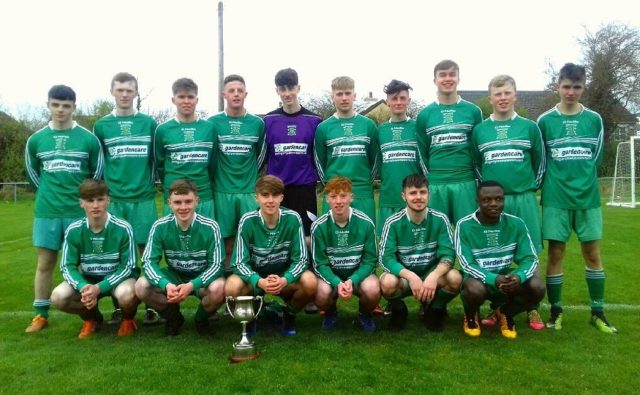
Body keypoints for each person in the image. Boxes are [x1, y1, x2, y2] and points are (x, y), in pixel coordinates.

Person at [537, 63, 617, 333]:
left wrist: (582, 180)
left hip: (587, 199)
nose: (571, 92)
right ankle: (556, 312)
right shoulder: (545, 121)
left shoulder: (594, 119)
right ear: (558, 86)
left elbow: (596, 158)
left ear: (584, 87)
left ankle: (598, 312)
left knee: (592, 253)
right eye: (567, 86)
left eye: (577, 87)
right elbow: (542, 160)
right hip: (556, 198)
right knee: (556, 253)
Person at [24, 84, 104, 332]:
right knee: (45, 262)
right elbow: (32, 176)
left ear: (74, 107)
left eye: (66, 106)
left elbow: (96, 174)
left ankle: (88, 317)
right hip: (47, 212)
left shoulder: (88, 139)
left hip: (77, 213)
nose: (60, 110)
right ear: (48, 105)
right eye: (56, 105)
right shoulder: (36, 140)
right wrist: (50, 194)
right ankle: (40, 314)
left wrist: (83, 201)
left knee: (80, 267)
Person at [470, 74, 545, 331]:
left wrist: (526, 188)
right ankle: (495, 305)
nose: (502, 98)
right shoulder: (480, 130)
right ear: (490, 98)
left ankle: (531, 307)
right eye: (497, 94)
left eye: (507, 93)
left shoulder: (529, 127)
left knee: (531, 252)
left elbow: (540, 162)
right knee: (492, 252)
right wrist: (488, 193)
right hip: (492, 201)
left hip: (522, 198)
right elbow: (476, 165)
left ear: (515, 95)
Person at [93, 72, 161, 325]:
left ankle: (152, 305)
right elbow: (100, 164)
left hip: (143, 198)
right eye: (120, 90)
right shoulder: (101, 126)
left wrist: (148, 184)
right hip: (115, 200)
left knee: (148, 254)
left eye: (129, 90)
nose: (124, 94)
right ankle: (121, 306)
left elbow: (156, 160)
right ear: (112, 91)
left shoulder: (149, 123)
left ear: (136, 93)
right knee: (117, 254)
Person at [224, 175, 317, 336]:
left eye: (275, 195)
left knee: (310, 282)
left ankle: (289, 315)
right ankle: (251, 318)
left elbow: (302, 259)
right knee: (231, 286)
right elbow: (239, 262)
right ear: (257, 198)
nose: (270, 200)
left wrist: (285, 279)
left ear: (282, 197)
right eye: (265, 195)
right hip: (256, 278)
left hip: (282, 277)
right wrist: (258, 281)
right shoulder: (247, 221)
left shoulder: (293, 218)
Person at [135, 180, 225, 336]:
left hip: (201, 277)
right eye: (177, 202)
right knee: (141, 286)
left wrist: (192, 285)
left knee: (220, 288)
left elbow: (217, 265)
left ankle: (201, 319)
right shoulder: (160, 226)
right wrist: (166, 284)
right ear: (169, 203)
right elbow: (148, 262)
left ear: (197, 201)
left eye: (188, 201)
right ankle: (174, 318)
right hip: (174, 276)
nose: (183, 207)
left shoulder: (211, 226)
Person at [456, 181, 545, 339]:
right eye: (487, 200)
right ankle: (470, 316)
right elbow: (466, 263)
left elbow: (530, 258)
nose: (493, 204)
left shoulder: (516, 223)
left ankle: (505, 313)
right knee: (474, 290)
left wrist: (518, 277)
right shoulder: (464, 225)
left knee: (537, 287)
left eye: (498, 199)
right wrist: (493, 278)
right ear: (478, 201)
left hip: (506, 278)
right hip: (480, 280)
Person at [51, 180, 138, 338]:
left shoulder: (123, 228)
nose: (95, 205)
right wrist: (84, 286)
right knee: (59, 297)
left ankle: (127, 319)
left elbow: (128, 266)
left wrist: (99, 287)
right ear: (81, 203)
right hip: (88, 280)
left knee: (127, 294)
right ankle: (91, 318)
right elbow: (67, 266)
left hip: (117, 280)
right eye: (90, 201)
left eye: (100, 199)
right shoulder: (74, 230)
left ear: (108, 201)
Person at [379, 174, 460, 331]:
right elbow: (386, 258)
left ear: (428, 194)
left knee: (455, 278)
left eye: (422, 192)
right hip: (405, 278)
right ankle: (399, 310)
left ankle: (435, 308)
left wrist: (434, 276)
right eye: (413, 193)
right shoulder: (393, 222)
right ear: (404, 196)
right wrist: (410, 276)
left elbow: (448, 254)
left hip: (431, 276)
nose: (418, 197)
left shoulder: (440, 219)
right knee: (387, 282)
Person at [208, 74, 265, 270]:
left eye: (240, 91)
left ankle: (253, 289)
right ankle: (228, 290)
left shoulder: (257, 123)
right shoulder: (213, 122)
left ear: (246, 94)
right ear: (224, 94)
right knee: (227, 242)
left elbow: (260, 156)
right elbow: (212, 156)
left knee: (251, 241)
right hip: (222, 191)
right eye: (231, 91)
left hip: (248, 190)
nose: (236, 94)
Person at [415, 59, 483, 225]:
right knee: (438, 236)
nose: (448, 79)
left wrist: (479, 180)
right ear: (435, 80)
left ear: (459, 79)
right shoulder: (425, 115)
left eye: (452, 74)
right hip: (437, 183)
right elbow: (422, 153)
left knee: (468, 232)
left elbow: (478, 151)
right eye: (442, 75)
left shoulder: (473, 111)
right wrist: (429, 180)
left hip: (465, 182)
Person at [311, 176, 380, 332]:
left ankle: (365, 314)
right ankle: (330, 312)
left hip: (357, 276)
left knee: (373, 288)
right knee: (320, 293)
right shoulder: (319, 226)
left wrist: (352, 280)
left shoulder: (366, 223)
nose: (338, 201)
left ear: (351, 197)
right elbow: (320, 264)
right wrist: (337, 282)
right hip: (333, 277)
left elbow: (370, 261)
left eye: (343, 196)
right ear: (326, 199)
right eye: (333, 197)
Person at [314, 76, 378, 223]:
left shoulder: (368, 125)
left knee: (365, 240)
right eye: (339, 94)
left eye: (348, 93)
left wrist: (365, 182)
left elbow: (375, 160)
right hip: (334, 192)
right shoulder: (323, 128)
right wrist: (332, 186)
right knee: (334, 241)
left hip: (362, 192)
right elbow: (319, 162)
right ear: (332, 97)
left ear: (354, 96)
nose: (344, 98)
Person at [154, 78, 216, 219]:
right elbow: (159, 164)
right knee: (173, 239)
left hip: (203, 194)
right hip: (174, 195)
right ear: (173, 100)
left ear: (197, 99)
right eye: (181, 97)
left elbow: (214, 164)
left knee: (205, 238)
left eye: (190, 97)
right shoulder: (163, 129)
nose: (186, 101)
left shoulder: (209, 128)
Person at [376, 79, 422, 234]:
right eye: (394, 98)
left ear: (408, 101)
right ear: (387, 101)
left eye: (402, 98)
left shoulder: (418, 127)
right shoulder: (380, 130)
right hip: (389, 197)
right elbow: (377, 163)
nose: (398, 102)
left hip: (415, 196)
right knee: (389, 244)